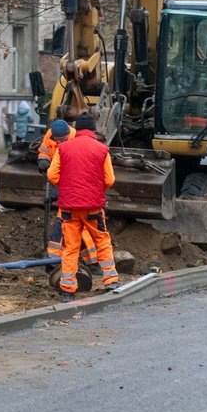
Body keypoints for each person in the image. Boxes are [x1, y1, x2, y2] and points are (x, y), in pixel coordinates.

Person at [46, 111, 120, 301]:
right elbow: (110, 180)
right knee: (102, 242)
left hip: (69, 208)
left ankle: (68, 290)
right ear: (93, 130)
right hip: (93, 208)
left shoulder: (64, 148)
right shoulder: (102, 149)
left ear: (76, 129)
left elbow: (52, 176)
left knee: (70, 247)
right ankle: (111, 281)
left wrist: (68, 183)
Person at [38, 119, 99, 272]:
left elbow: (73, 171)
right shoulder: (50, 135)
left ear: (67, 135)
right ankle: (55, 260)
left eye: (62, 140)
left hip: (75, 189)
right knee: (67, 226)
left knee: (70, 226)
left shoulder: (75, 142)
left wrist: (59, 191)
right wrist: (43, 160)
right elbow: (44, 149)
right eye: (56, 140)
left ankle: (90, 263)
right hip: (64, 186)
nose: (58, 143)